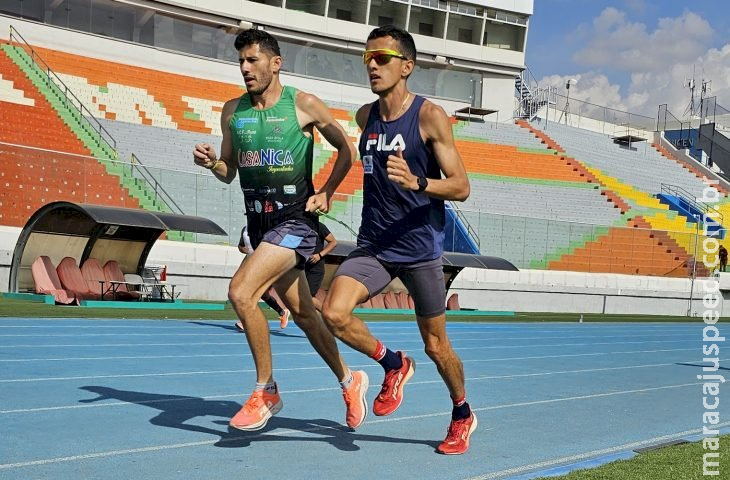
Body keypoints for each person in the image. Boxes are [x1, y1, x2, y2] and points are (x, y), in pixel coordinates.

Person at [192, 29, 368, 432]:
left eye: (252, 60)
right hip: (259, 225)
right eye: (240, 61)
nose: (245, 68)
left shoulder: (302, 105)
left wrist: (326, 191)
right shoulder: (231, 111)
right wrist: (211, 165)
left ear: (276, 63)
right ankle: (349, 379)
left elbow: (347, 149)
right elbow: (228, 171)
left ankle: (265, 389)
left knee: (241, 292)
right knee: (306, 314)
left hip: (296, 221)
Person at [321, 25, 475, 455]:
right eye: (368, 57)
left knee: (436, 345)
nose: (372, 64)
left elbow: (461, 186)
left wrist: (418, 181)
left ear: (406, 67)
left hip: (420, 249)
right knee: (333, 312)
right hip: (374, 245)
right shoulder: (364, 117)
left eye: (382, 58)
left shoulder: (429, 116)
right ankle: (393, 363)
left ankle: (462, 413)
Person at [235, 226, 290, 331]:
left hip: (266, 266)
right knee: (264, 295)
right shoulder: (245, 229)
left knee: (252, 292)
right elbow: (240, 246)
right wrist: (243, 249)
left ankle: (245, 321)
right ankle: (282, 312)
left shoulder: (265, 227)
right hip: (251, 265)